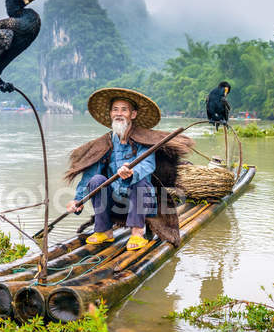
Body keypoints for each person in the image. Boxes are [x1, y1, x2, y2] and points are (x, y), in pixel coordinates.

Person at [64, 88, 194, 251]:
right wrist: (78, 200)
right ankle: (105, 231)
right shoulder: (106, 142)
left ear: (133, 114)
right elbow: (90, 173)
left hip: (141, 202)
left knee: (140, 183)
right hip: (115, 202)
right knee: (96, 180)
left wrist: (132, 171)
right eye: (115, 109)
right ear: (110, 114)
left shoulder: (143, 140)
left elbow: (148, 165)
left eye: (124, 110)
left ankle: (137, 233)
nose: (119, 113)